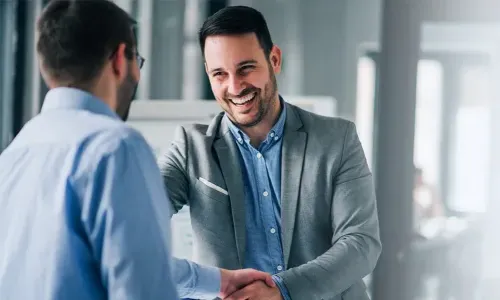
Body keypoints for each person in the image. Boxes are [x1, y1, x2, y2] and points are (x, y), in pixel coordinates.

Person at [0, 1, 274, 299]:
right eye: (137, 60)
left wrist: (217, 281)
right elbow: (142, 287)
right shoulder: (115, 147)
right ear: (120, 59)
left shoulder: (15, 153)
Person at [160, 5, 382, 300]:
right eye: (219, 74)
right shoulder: (190, 148)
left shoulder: (336, 139)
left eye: (246, 68)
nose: (235, 86)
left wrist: (282, 290)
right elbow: (130, 226)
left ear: (274, 59)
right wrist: (202, 284)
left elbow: (360, 244)